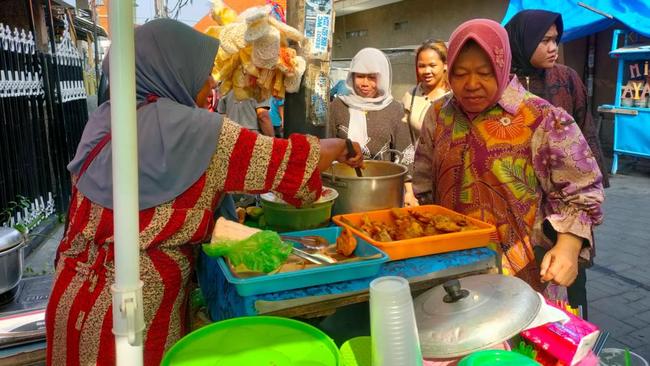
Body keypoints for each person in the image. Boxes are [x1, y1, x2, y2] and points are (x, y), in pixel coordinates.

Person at [45, 19, 363, 366]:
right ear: (172, 69)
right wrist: (344, 145)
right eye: (200, 71)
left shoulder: (105, 120)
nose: (210, 82)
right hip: (136, 319)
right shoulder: (200, 131)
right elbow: (290, 162)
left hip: (69, 301)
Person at [413, 19, 604, 299]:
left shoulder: (543, 119)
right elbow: (424, 182)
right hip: (449, 269)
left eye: (484, 72)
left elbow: (583, 193)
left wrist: (569, 245)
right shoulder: (439, 114)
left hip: (521, 273)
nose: (471, 84)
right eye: (461, 73)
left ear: (502, 68)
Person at [505, 10, 609, 189]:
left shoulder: (566, 77)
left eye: (555, 40)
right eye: (545, 40)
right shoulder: (501, 81)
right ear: (523, 41)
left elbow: (586, 130)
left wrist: (595, 184)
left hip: (562, 184)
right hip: (512, 184)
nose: (553, 48)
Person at [402, 39, 450, 141]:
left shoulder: (454, 97)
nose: (427, 71)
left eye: (432, 65)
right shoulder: (411, 96)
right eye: (422, 66)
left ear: (445, 65)